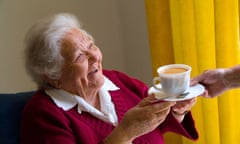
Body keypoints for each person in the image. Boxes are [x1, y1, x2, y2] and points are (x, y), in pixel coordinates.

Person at [20, 13, 198, 144]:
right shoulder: (43, 115)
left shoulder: (116, 80)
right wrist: (124, 134)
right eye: (80, 56)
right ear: (53, 76)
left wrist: (177, 110)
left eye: (91, 45)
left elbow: (156, 123)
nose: (95, 57)